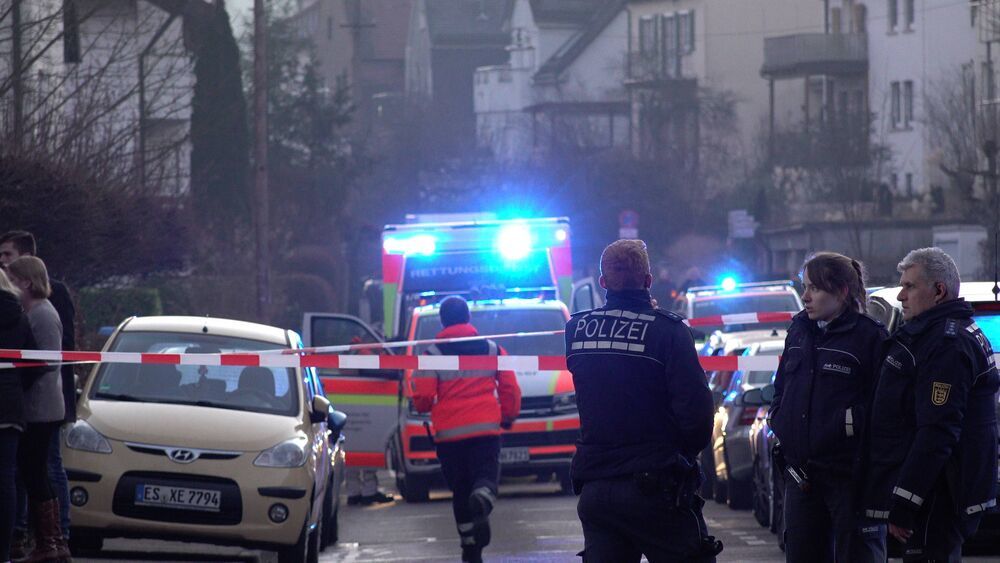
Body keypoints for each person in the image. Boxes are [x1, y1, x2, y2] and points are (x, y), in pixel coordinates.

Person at [565, 239, 719, 562]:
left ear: (602, 282)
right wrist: (682, 456)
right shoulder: (669, 332)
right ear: (648, 281)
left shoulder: (577, 330)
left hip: (596, 487)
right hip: (655, 486)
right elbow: (697, 414)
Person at [863, 248, 999, 562]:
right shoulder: (937, 336)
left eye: (909, 286)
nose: (900, 295)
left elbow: (937, 431)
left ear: (938, 291)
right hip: (936, 489)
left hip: (938, 493)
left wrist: (907, 499)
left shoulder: (945, 345)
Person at [768, 252, 888, 562]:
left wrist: (845, 426)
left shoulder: (868, 338)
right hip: (802, 478)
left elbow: (883, 408)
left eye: (815, 288)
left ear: (842, 292)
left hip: (848, 480)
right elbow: (782, 386)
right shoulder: (799, 331)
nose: (805, 297)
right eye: (804, 287)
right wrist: (779, 418)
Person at [411, 296, 521, 563]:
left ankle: (470, 548)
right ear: (468, 318)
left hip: (449, 436)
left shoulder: (431, 355)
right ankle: (483, 499)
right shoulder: (493, 350)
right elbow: (509, 387)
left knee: (460, 490)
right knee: (485, 478)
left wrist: (427, 402)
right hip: (485, 430)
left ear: (442, 321)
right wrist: (508, 416)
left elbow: (423, 399)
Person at [0, 231, 76, 545]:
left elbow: (45, 362)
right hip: (35, 405)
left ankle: (53, 537)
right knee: (32, 472)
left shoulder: (42, 315)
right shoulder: (31, 313)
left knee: (39, 471)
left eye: (14, 279)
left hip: (42, 407)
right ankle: (47, 538)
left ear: (27, 282)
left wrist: (18, 383)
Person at [0, 271, 41, 563]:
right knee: (5, 481)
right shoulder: (20, 315)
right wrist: (15, 386)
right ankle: (3, 550)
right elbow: (35, 362)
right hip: (10, 406)